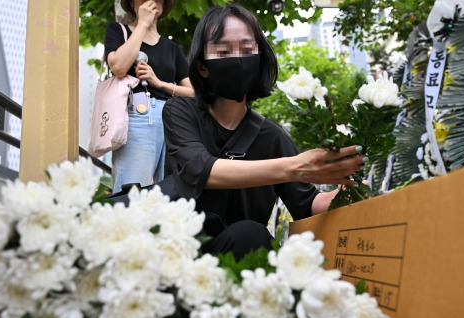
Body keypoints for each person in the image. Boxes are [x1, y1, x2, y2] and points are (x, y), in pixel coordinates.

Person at [162, 3, 365, 261]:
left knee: (249, 234)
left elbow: (306, 205)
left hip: (245, 263)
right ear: (202, 66)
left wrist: (346, 193)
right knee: (248, 233)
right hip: (182, 256)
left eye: (247, 50)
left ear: (259, 60)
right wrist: (293, 167)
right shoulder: (180, 110)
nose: (238, 60)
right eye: (223, 50)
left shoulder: (272, 136)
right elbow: (198, 168)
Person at [104, 0, 194, 193]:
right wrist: (143, 24)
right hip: (137, 114)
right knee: (133, 191)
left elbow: (194, 92)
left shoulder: (172, 48)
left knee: (169, 193)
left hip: (171, 121)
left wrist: (159, 83)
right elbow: (118, 67)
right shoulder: (119, 31)